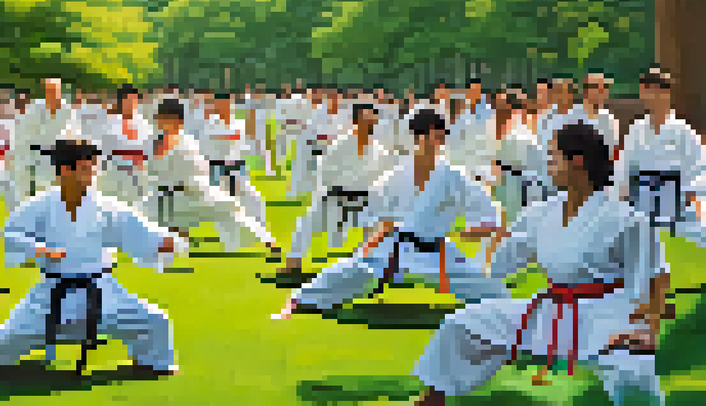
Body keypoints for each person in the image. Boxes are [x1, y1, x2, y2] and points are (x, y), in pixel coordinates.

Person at [409, 122, 668, 405]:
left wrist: (648, 329)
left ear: (577, 161)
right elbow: (503, 263)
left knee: (632, 370)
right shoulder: (541, 213)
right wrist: (494, 233)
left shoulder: (626, 219)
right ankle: (432, 399)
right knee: (463, 324)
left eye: (553, 157)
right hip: (551, 311)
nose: (548, 164)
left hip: (605, 315)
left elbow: (655, 276)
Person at [0, 134, 184, 392]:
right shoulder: (41, 204)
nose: (93, 175)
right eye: (85, 168)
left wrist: (165, 241)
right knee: (9, 336)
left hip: (102, 291)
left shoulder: (106, 207)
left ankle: (151, 362)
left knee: (155, 321)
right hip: (52, 294)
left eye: (94, 168)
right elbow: (10, 233)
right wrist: (40, 249)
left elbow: (135, 229)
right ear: (64, 170)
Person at [274, 109, 507, 320]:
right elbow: (377, 214)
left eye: (441, 137)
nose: (438, 142)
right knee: (346, 272)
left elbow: (486, 207)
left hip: (436, 253)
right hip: (396, 249)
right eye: (434, 135)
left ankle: (511, 313)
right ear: (419, 137)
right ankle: (298, 301)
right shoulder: (398, 174)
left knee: (490, 289)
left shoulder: (453, 175)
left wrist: (478, 228)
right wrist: (369, 245)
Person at [137, 100, 278, 254]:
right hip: (164, 198)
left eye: (167, 120)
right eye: (161, 119)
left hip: (194, 193)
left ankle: (267, 242)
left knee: (232, 208)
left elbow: (198, 169)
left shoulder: (187, 142)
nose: (163, 124)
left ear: (178, 121)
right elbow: (149, 169)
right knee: (139, 216)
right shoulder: (152, 142)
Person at [281, 103, 395, 275]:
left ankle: (378, 266)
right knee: (306, 224)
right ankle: (293, 263)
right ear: (356, 121)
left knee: (381, 227)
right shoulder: (341, 144)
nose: (369, 123)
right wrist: (349, 181)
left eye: (372, 119)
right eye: (365, 118)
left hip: (364, 201)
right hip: (335, 198)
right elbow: (325, 172)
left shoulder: (379, 150)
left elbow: (386, 177)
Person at [618, 67, 705, 242]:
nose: (649, 97)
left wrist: (687, 194)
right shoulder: (636, 129)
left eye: (655, 91)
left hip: (675, 204)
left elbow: (700, 170)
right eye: (645, 91)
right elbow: (624, 168)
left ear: (666, 93)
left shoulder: (683, 131)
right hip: (641, 203)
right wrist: (622, 195)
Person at [195, 92, 269, 237]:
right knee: (224, 206)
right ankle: (227, 236)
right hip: (218, 169)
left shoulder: (238, 123)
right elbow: (226, 136)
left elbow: (243, 139)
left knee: (254, 200)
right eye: (220, 103)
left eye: (227, 102)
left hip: (237, 167)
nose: (225, 106)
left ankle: (261, 233)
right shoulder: (210, 124)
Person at [9, 78, 78, 213]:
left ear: (59, 91)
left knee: (58, 191)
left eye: (54, 91)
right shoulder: (36, 107)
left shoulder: (67, 110)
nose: (51, 94)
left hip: (60, 157)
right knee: (40, 190)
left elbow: (72, 133)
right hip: (39, 156)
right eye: (49, 91)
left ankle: (57, 213)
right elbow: (24, 132)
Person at [491, 91, 550, 230]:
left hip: (521, 183)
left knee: (518, 223)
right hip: (507, 181)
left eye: (503, 107)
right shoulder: (496, 127)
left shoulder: (522, 131)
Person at [99, 86, 153, 206]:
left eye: (134, 101)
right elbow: (106, 148)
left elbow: (148, 148)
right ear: (121, 102)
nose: (132, 104)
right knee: (114, 203)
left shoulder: (144, 124)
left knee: (137, 203)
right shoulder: (111, 122)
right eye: (128, 101)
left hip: (138, 170)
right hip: (116, 169)